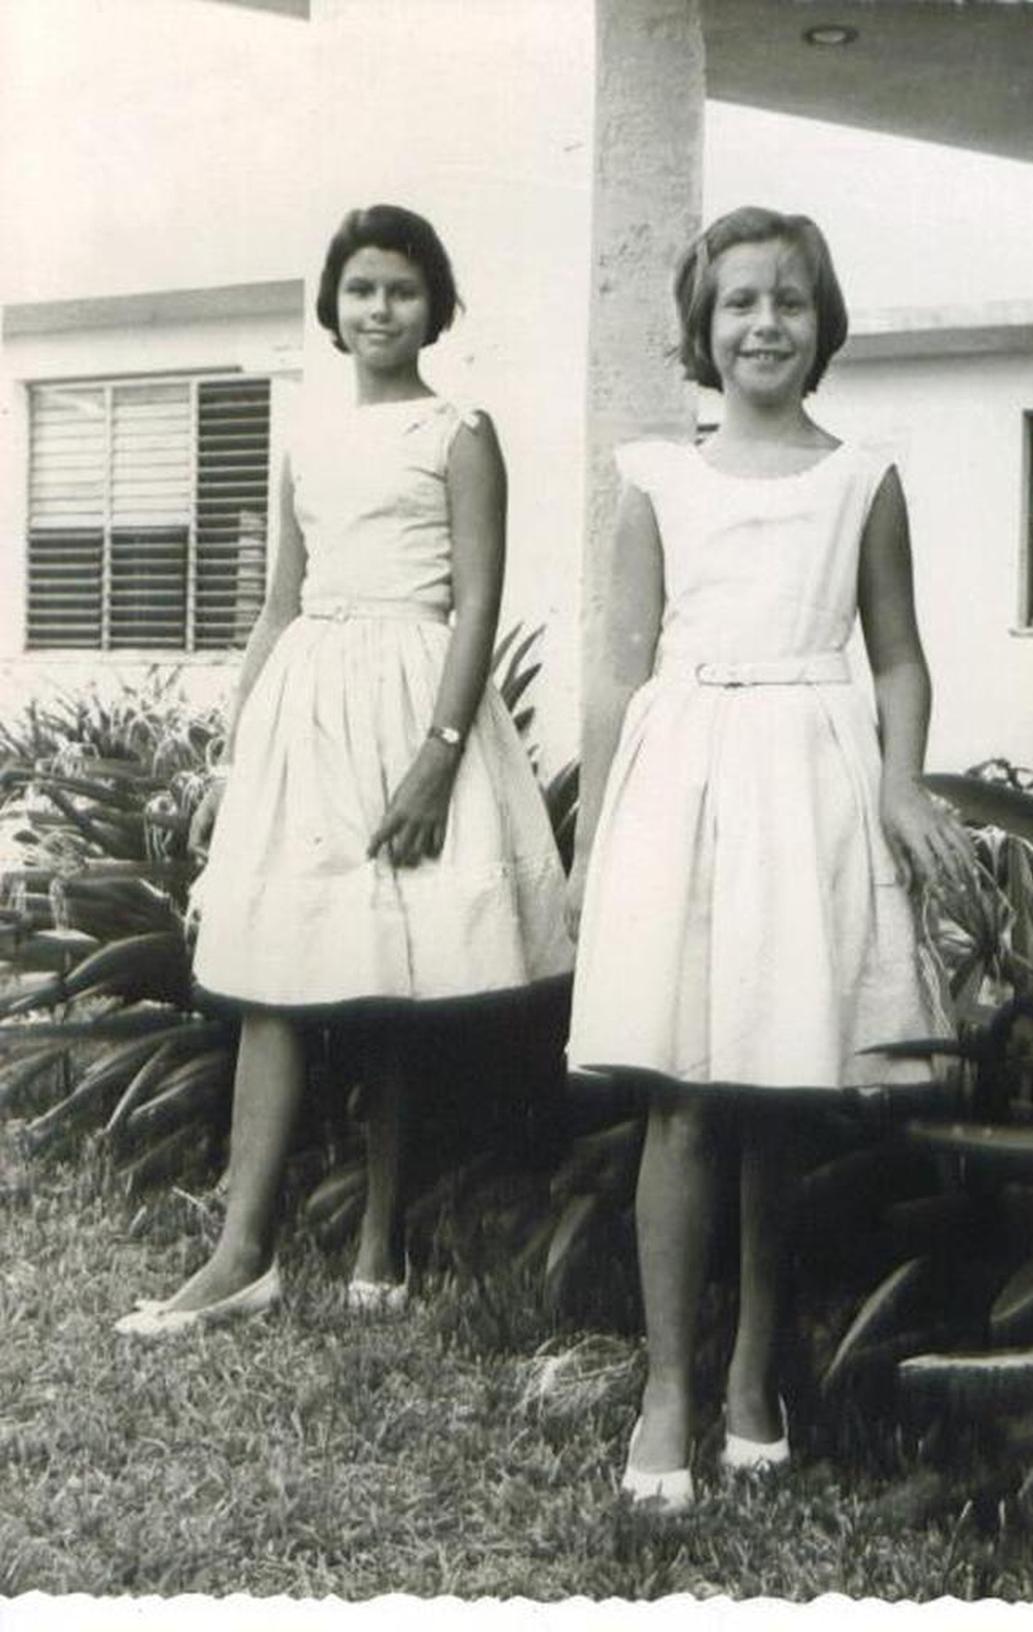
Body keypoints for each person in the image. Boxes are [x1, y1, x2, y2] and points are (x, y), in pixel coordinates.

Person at [565, 206, 972, 1509]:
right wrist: (593, 835)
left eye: (790, 302)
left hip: (808, 780)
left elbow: (898, 655)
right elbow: (622, 667)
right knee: (681, 1093)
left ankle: (753, 1373)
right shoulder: (656, 476)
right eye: (739, 302)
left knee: (775, 1087)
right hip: (682, 778)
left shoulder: (863, 479)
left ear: (824, 324)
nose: (765, 325)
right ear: (703, 326)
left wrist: (905, 785)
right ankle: (668, 1390)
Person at [116, 204, 572, 1336]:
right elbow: (281, 602)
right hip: (308, 711)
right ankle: (241, 1254)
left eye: (403, 291)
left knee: (390, 983)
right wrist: (236, 750)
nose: (380, 309)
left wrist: (439, 754)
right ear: (332, 307)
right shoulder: (305, 437)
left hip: (412, 703)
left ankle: (381, 1237)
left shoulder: (460, 431)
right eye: (361, 289)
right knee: (273, 975)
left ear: (437, 307)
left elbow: (476, 604)